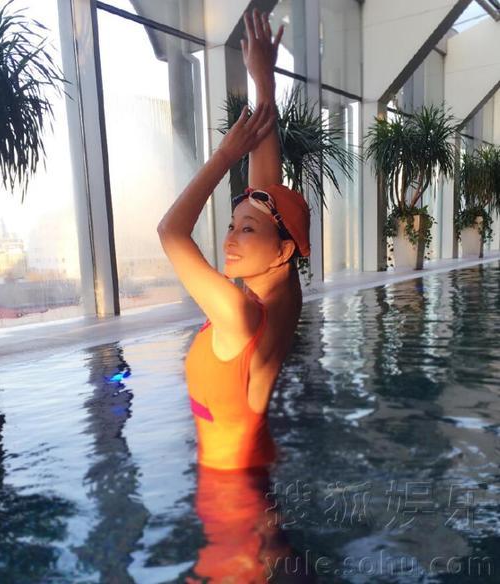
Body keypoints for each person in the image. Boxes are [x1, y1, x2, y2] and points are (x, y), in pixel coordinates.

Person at [158, 8, 313, 582]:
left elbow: (171, 233)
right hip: (250, 483)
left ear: (281, 249)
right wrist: (262, 80)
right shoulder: (283, 293)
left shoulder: (239, 314)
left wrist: (224, 155)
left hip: (233, 506)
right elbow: (266, 183)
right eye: (231, 224)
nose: (228, 238)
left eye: (245, 230)